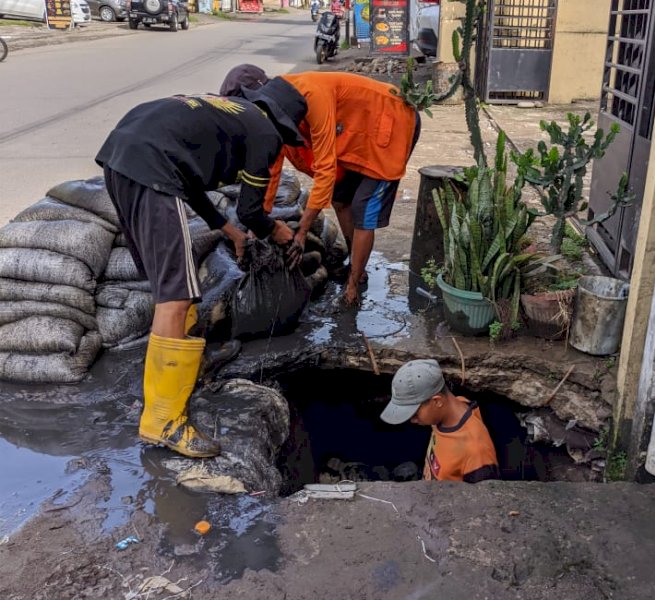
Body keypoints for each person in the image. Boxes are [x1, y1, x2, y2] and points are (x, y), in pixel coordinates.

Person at [95, 93, 293, 458]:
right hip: (153, 170)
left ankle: (179, 378)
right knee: (176, 295)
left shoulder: (232, 113)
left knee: (169, 285)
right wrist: (275, 229)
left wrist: (225, 229)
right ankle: (163, 420)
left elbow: (190, 186)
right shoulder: (266, 134)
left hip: (122, 161)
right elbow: (250, 210)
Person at [220, 65, 421, 306]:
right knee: (340, 199)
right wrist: (256, 223)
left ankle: (353, 286)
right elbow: (271, 171)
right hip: (353, 134)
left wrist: (303, 231)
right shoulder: (275, 108)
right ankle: (357, 266)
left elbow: (325, 170)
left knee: (364, 209)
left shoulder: (313, 96)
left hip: (392, 120)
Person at [380, 359, 500, 483]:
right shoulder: (448, 411)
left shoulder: (476, 452)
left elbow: (485, 499)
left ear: (437, 401)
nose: (412, 420)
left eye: (414, 413)